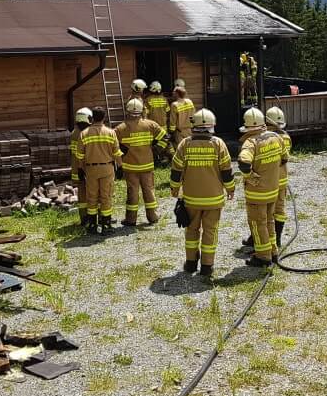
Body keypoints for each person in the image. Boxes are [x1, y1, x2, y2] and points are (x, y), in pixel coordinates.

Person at [171, 108, 235, 276]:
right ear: (212, 125)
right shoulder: (218, 144)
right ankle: (207, 266)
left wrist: (174, 188)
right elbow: (226, 170)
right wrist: (230, 189)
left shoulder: (185, 144)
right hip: (214, 200)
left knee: (191, 230)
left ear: (194, 126)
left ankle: (191, 263)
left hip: (191, 199)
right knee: (210, 231)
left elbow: (176, 170)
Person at [238, 107, 288, 267]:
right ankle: (273, 252)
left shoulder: (250, 142)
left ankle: (263, 257)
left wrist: (252, 177)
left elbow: (243, 163)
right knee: (269, 222)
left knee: (257, 224)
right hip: (273, 190)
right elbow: (284, 158)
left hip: (257, 194)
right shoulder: (276, 137)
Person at [115, 98, 168, 226]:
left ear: (127, 111)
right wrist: (156, 150)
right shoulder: (150, 125)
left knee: (132, 192)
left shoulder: (121, 128)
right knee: (149, 191)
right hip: (147, 165)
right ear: (141, 110)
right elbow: (165, 137)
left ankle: (131, 219)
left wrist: (120, 156)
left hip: (130, 167)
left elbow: (111, 145)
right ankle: (153, 216)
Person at [76, 107, 123, 235]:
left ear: (91, 118)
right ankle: (106, 225)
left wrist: (80, 169)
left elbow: (80, 155)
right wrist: (120, 166)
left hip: (91, 169)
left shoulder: (84, 134)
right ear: (104, 118)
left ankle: (92, 225)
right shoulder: (110, 133)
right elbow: (117, 152)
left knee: (92, 197)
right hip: (107, 168)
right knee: (106, 196)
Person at [265, 106, 292, 248]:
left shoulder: (266, 138)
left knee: (264, 210)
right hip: (282, 179)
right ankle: (278, 239)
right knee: (280, 208)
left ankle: (262, 238)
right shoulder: (286, 137)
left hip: (268, 181)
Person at [70, 107, 93, 227]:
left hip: (76, 170)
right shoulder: (85, 133)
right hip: (86, 169)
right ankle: (97, 217)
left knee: (82, 195)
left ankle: (84, 218)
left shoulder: (74, 133)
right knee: (94, 192)